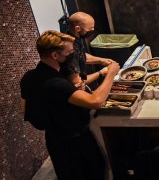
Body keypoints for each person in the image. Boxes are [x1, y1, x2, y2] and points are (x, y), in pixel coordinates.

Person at [20, 30, 121, 180]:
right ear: (55, 56)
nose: (72, 56)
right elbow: (96, 101)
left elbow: (26, 107)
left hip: (54, 139)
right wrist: (111, 73)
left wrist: (100, 73)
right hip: (76, 143)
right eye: (70, 53)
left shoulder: (29, 77)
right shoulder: (55, 83)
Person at [64, 12, 114, 90]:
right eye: (90, 29)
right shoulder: (70, 49)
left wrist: (101, 60)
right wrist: (101, 73)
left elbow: (81, 56)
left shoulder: (76, 38)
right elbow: (77, 83)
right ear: (77, 28)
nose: (92, 31)